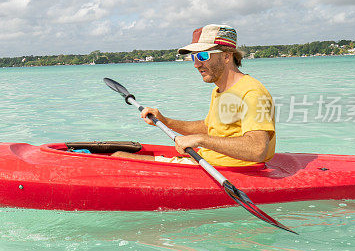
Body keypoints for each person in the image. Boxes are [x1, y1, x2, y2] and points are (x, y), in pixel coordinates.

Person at [113, 24, 275, 167]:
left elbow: (257, 149)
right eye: (193, 57)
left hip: (224, 171)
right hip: (206, 161)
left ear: (226, 56)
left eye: (203, 56)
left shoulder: (252, 93)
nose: (196, 64)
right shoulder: (221, 90)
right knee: (116, 156)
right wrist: (165, 121)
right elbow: (210, 127)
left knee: (118, 159)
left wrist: (200, 140)